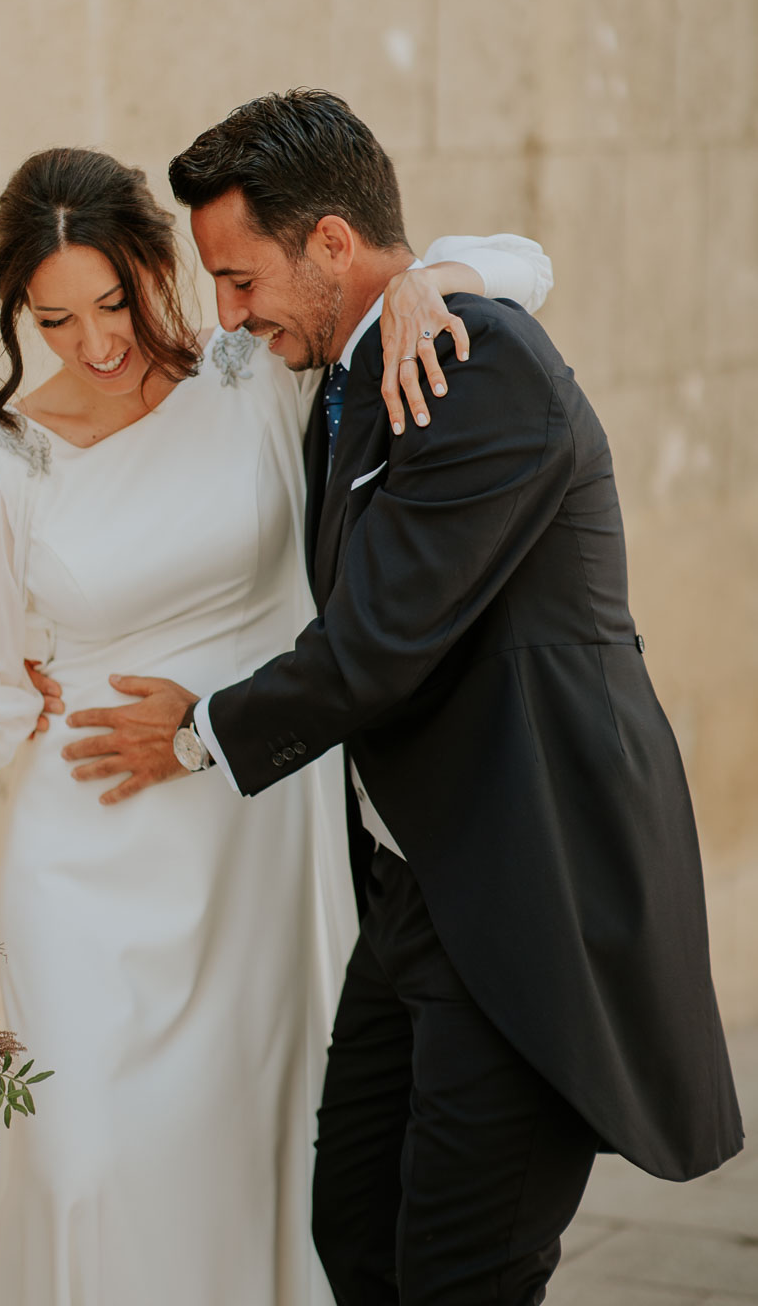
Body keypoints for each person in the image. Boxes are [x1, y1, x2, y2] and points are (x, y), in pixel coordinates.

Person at [62, 89, 744, 1306]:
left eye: (240, 278)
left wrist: (197, 727)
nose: (229, 314)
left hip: (535, 892)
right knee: (356, 1233)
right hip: (418, 892)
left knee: (457, 1277)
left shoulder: (474, 366)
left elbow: (378, 641)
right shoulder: (357, 355)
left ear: (329, 242)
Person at [0, 143, 555, 1306]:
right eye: (56, 317)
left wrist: (433, 280)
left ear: (152, 264)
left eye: (116, 299)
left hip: (251, 838)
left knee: (250, 1161)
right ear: (18, 312)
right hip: (81, 856)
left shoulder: (255, 376)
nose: (97, 340)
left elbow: (524, 262)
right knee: (84, 1166)